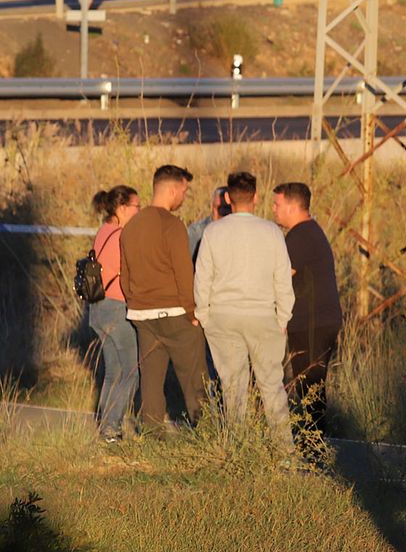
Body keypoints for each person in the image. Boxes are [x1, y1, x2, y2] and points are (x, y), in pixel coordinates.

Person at [194, 171, 295, 447]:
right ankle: (285, 451)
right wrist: (283, 317)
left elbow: (203, 277)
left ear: (228, 197)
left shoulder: (213, 232)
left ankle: (237, 447)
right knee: (272, 387)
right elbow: (282, 279)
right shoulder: (272, 232)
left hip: (223, 316)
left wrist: (204, 315)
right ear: (256, 196)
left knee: (232, 388)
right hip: (263, 316)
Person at [120, 164, 210, 431]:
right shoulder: (172, 225)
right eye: (184, 191)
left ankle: (151, 432)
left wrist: (134, 303)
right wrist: (192, 313)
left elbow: (125, 274)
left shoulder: (131, 226)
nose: (184, 196)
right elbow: (184, 272)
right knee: (195, 379)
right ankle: (206, 431)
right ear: (172, 190)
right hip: (175, 313)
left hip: (142, 315)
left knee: (151, 380)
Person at [272, 182, 343, 432]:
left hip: (313, 322)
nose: (273, 210)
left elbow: (281, 276)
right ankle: (312, 440)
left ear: (292, 207)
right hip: (314, 321)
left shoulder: (301, 235)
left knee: (310, 386)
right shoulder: (307, 232)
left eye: (277, 204)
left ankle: (313, 444)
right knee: (308, 385)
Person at [87, 185, 141, 442]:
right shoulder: (121, 235)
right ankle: (112, 428)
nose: (138, 212)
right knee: (132, 371)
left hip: (98, 308)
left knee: (114, 371)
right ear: (121, 208)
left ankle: (106, 426)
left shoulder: (103, 231)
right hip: (117, 308)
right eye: (136, 207)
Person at [187, 185, 230, 258]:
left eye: (224, 208)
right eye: (216, 207)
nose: (218, 213)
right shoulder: (196, 232)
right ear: (212, 206)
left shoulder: (237, 231)